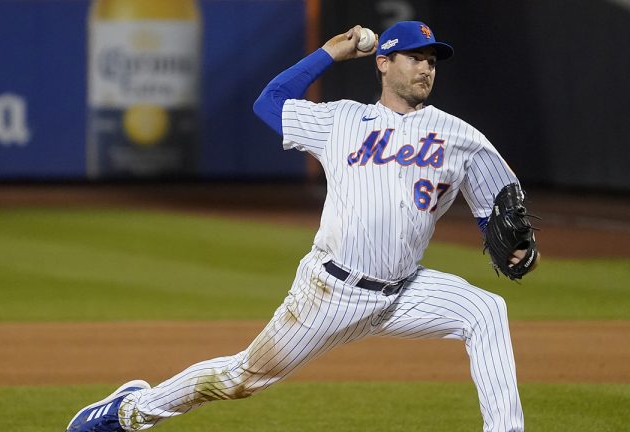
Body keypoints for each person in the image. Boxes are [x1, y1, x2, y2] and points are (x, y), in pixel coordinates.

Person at [65, 21, 536, 432]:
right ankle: (129, 412)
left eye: (432, 60)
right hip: (330, 294)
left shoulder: (460, 136)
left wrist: (511, 244)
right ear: (384, 63)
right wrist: (331, 52)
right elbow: (268, 103)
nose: (426, 68)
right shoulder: (342, 120)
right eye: (415, 57)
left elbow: (495, 203)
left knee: (485, 311)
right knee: (240, 378)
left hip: (403, 291)